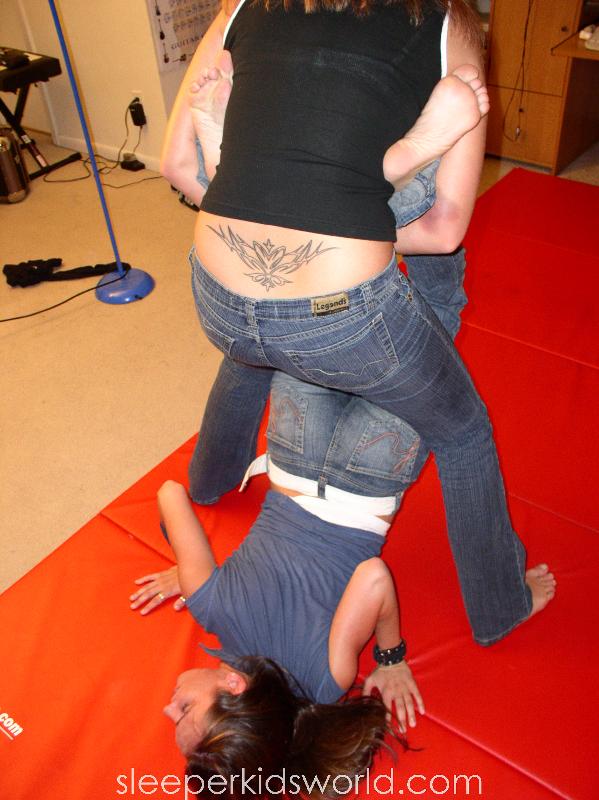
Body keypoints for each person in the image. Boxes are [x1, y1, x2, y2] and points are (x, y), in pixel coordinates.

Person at [159, 0, 554, 647]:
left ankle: (211, 479)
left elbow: (177, 169)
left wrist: (288, 217)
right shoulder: (451, 26)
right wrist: (352, 223)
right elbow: (443, 232)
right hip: (335, 317)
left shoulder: (237, 6)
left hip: (218, 300)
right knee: (462, 431)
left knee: (257, 341)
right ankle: (501, 606)